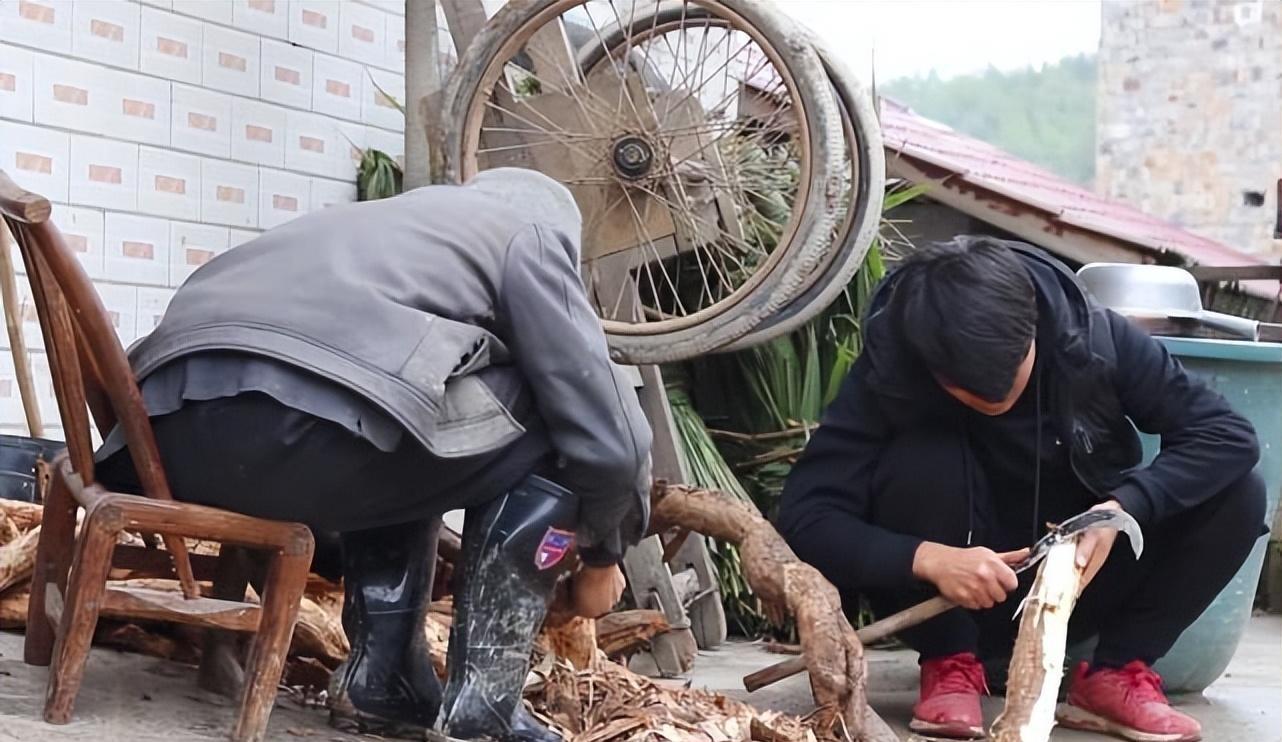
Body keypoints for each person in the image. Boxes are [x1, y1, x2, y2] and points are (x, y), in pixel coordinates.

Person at [96, 168, 653, 741]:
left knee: (414, 403)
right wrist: (603, 555)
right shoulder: (527, 235)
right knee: (556, 418)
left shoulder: (380, 224)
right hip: (298, 436)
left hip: (164, 442)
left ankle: (383, 681)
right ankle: (481, 711)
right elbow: (614, 437)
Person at [777, 236, 1265, 742]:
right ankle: (949, 664)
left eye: (1012, 376)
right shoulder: (891, 370)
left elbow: (1226, 436)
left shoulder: (1090, 335)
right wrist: (926, 559)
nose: (995, 398)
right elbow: (806, 515)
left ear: (1032, 326)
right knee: (920, 456)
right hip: (944, 599)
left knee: (1238, 492)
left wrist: (1122, 511)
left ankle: (1116, 672)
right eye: (965, 389)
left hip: (1076, 579)